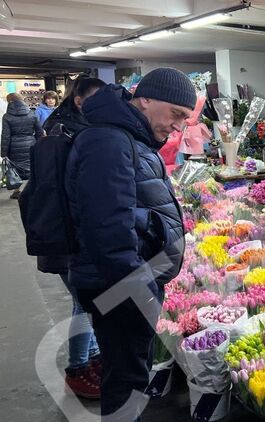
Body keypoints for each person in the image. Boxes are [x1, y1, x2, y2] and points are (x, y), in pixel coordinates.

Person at [65, 68, 194, 421]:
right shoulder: (109, 141)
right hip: (120, 287)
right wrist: (142, 292)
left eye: (185, 118)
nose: (178, 126)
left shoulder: (127, 137)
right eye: (176, 114)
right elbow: (108, 231)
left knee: (129, 374)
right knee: (127, 381)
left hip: (125, 283)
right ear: (146, 99)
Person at [39, 76, 107, 399]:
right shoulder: (71, 134)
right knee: (85, 303)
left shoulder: (64, 126)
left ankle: (91, 358)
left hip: (64, 231)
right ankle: (78, 368)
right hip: (68, 233)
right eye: (96, 99)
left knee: (85, 302)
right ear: (78, 101)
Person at [1, 93, 44, 199]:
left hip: (14, 146)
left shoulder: (7, 117)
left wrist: (3, 153)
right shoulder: (32, 114)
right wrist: (38, 143)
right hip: (31, 143)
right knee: (32, 166)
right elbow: (39, 131)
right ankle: (32, 189)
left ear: (10, 102)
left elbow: (6, 136)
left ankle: (17, 191)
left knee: (15, 169)